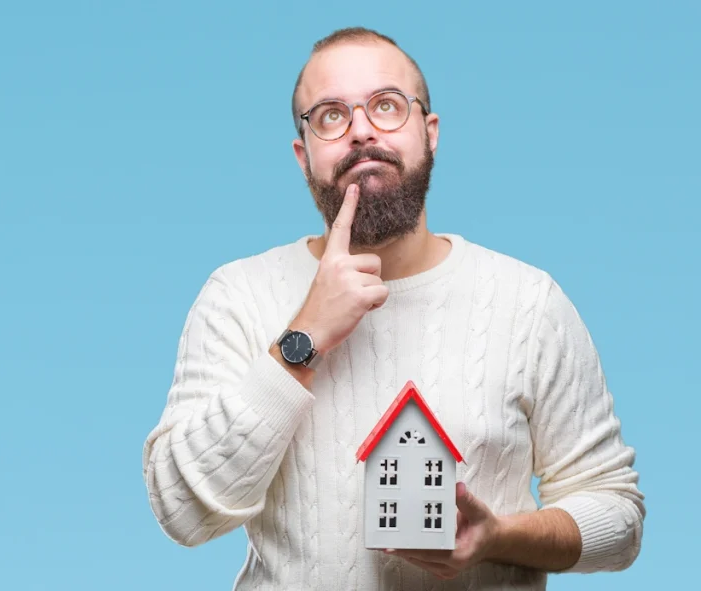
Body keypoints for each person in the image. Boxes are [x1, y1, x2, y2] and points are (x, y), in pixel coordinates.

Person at [141, 26, 645, 590]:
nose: (361, 131)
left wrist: (498, 537)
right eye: (331, 115)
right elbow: (182, 514)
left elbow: (619, 518)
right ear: (303, 154)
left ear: (429, 134)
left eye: (386, 106)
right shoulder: (238, 294)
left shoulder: (528, 303)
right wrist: (303, 336)